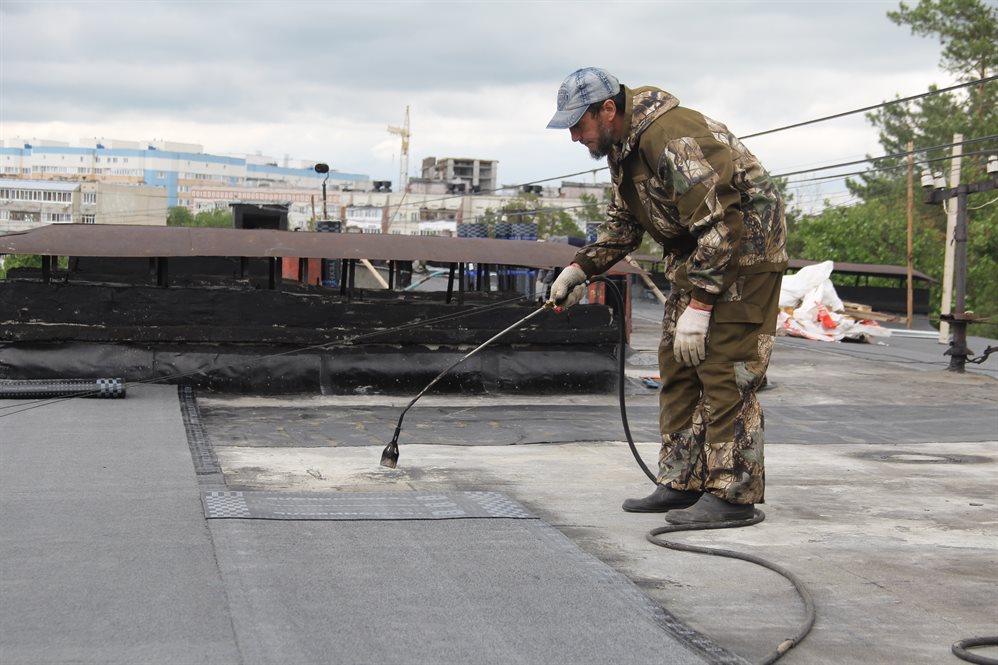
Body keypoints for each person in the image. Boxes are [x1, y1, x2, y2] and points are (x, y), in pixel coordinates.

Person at [547, 67, 787, 524]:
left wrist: (700, 306)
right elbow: (624, 226)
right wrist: (579, 269)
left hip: (744, 255)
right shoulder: (624, 151)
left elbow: (723, 225)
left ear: (609, 109)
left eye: (579, 124)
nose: (575, 136)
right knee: (677, 364)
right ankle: (682, 481)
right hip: (700, 257)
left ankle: (734, 496)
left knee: (723, 369)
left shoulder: (669, 138)